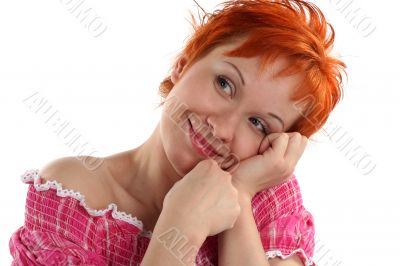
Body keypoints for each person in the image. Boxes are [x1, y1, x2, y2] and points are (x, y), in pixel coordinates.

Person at [9, 0, 346, 265]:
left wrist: (240, 196)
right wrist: (181, 226)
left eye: (258, 124)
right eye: (224, 84)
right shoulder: (74, 194)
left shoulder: (266, 196)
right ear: (182, 65)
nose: (223, 127)